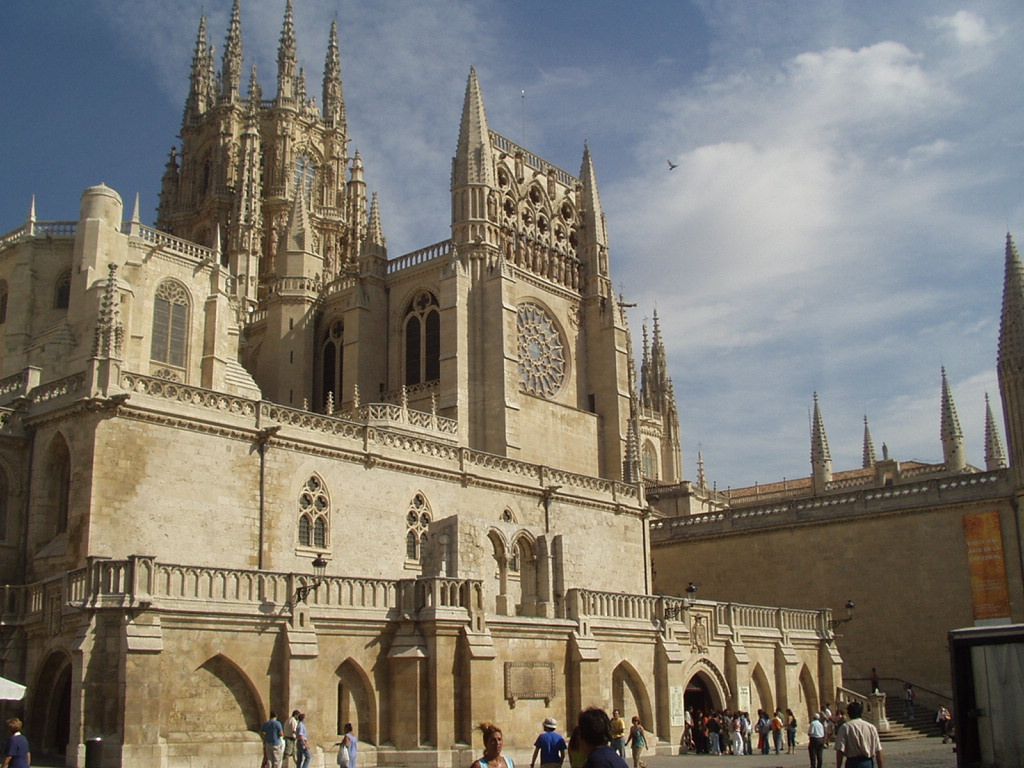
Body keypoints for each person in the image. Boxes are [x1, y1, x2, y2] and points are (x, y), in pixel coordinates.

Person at [834, 701, 884, 768]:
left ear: (849, 713)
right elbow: (878, 750)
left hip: (852, 763)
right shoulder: (871, 727)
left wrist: (838, 766)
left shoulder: (845, 728)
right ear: (861, 713)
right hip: (867, 763)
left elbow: (840, 750)